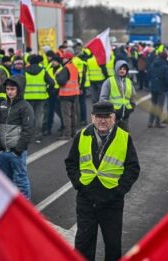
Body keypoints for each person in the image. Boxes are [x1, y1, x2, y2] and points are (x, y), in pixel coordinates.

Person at [65, 101, 140, 261]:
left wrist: (119, 191)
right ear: (92, 117)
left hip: (111, 201)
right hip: (86, 199)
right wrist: (79, 184)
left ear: (114, 118)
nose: (102, 120)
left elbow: (133, 168)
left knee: (113, 245)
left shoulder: (125, 138)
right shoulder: (81, 135)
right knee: (84, 243)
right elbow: (71, 163)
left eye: (107, 116)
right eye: (99, 116)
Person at [0, 75, 34, 199]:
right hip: (3, 150)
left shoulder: (25, 106)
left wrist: (18, 149)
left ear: (18, 90)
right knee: (6, 180)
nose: (9, 92)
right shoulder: (3, 104)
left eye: (12, 89)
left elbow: (28, 130)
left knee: (21, 180)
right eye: (7, 89)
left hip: (16, 151)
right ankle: (11, 205)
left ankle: (25, 206)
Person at [100, 60, 136, 132]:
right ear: (116, 69)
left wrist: (132, 106)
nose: (122, 71)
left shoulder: (129, 82)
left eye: (124, 69)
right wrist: (110, 110)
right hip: (112, 117)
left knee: (124, 137)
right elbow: (103, 98)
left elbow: (133, 96)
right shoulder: (109, 81)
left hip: (125, 116)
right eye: (120, 69)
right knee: (111, 137)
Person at [56, 50, 81, 140]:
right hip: (75, 94)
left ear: (67, 58)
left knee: (66, 115)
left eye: (63, 58)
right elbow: (78, 79)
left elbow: (61, 82)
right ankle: (73, 132)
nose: (62, 60)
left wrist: (57, 76)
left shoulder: (65, 69)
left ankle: (67, 134)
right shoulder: (74, 67)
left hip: (66, 95)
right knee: (73, 114)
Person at [25, 55, 50, 143]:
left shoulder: (25, 71)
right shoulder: (43, 70)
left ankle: (28, 136)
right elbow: (52, 82)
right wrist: (46, 89)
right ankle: (38, 136)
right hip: (40, 97)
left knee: (29, 117)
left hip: (27, 97)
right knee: (39, 117)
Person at [147, 52, 168, 128]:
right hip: (161, 88)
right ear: (166, 57)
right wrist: (167, 88)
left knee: (153, 105)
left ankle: (150, 122)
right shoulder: (165, 66)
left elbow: (148, 75)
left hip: (153, 87)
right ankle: (158, 122)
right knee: (159, 106)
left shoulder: (153, 64)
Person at [44, 55, 64, 136]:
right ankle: (48, 129)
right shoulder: (49, 69)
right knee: (49, 112)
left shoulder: (62, 69)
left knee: (60, 111)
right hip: (50, 92)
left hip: (59, 92)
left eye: (55, 61)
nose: (53, 62)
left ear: (58, 62)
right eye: (53, 61)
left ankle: (63, 126)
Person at [73, 51, 91, 125]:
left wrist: (80, 87)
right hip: (82, 85)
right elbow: (83, 76)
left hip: (79, 86)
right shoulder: (83, 63)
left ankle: (80, 120)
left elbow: (81, 76)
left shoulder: (76, 62)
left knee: (78, 103)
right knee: (82, 103)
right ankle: (83, 119)